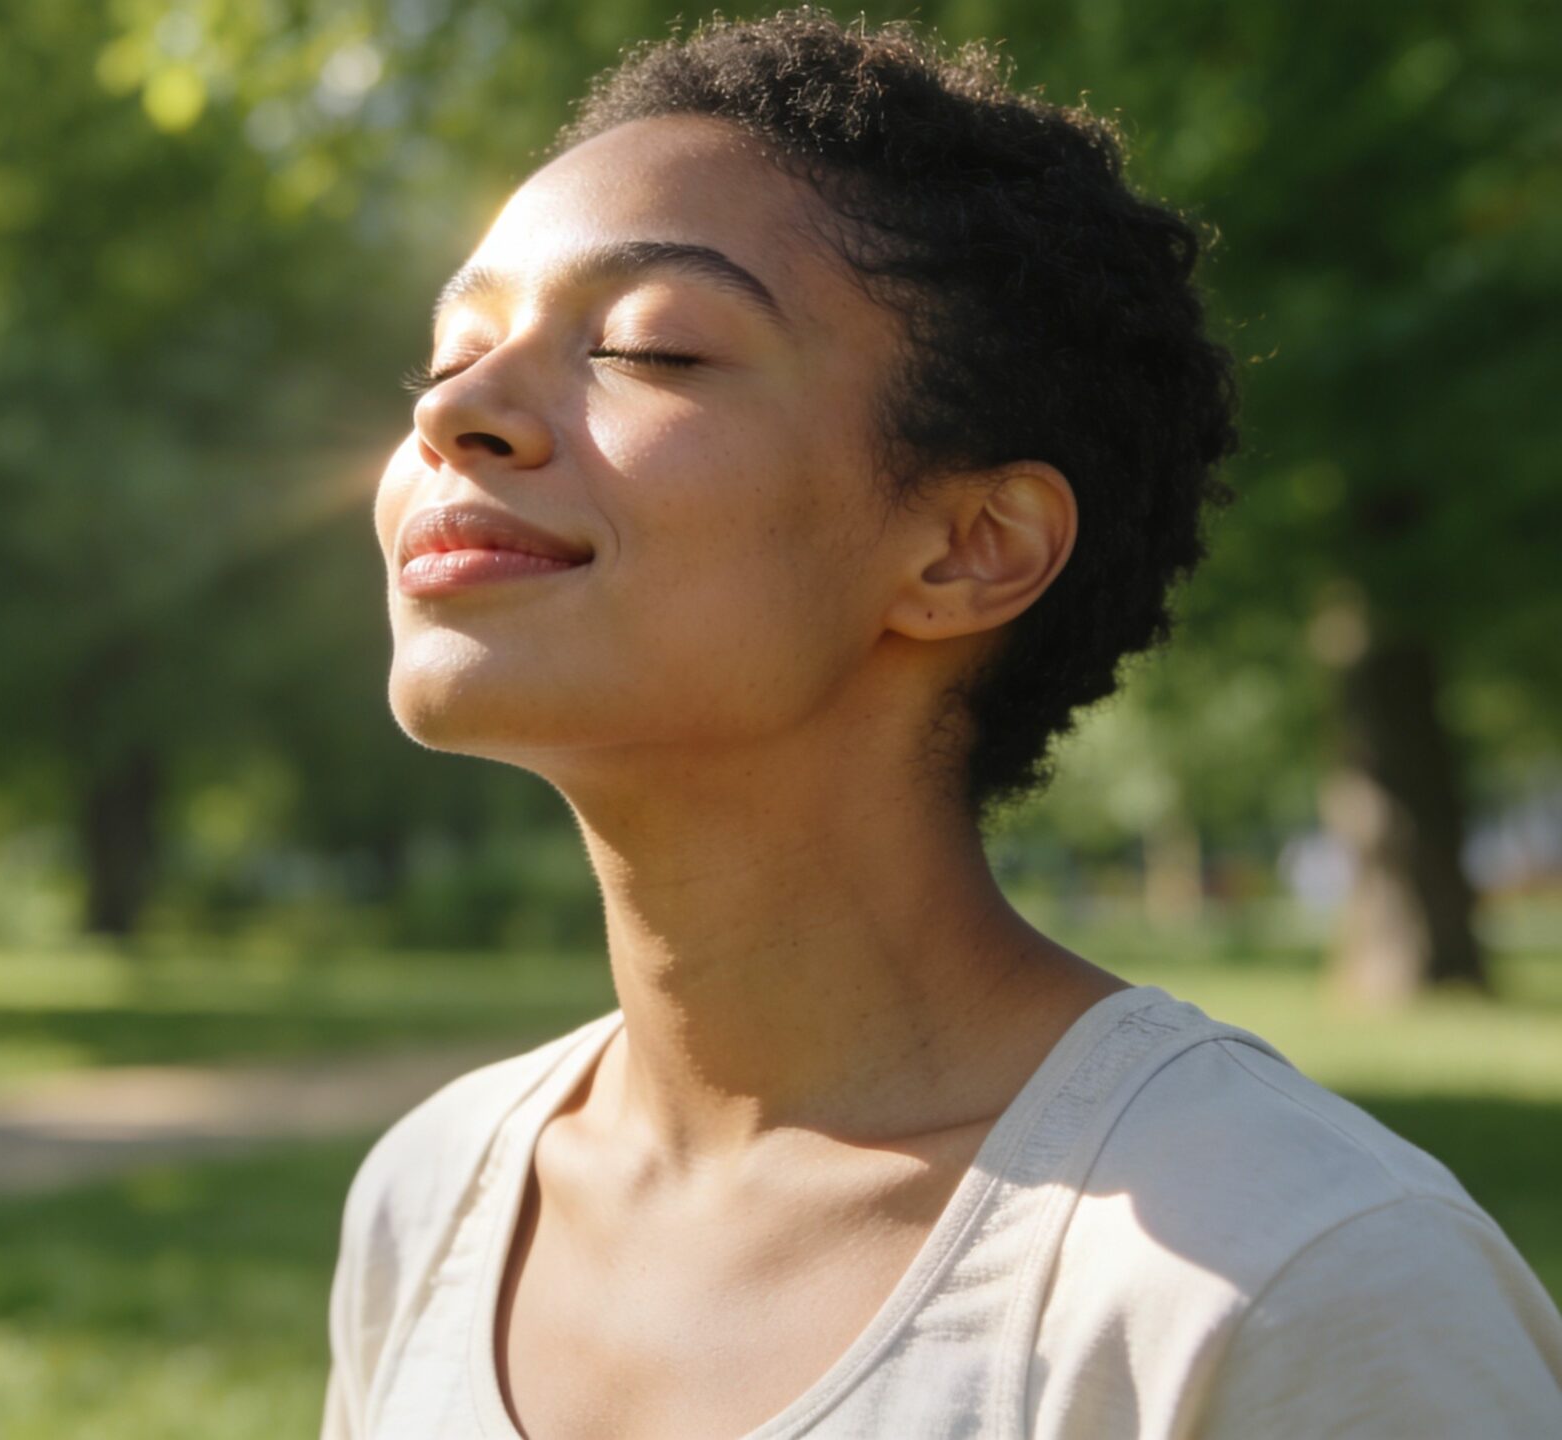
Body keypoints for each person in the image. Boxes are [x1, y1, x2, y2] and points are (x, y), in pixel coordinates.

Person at [321, 8, 1562, 1438]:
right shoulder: (436, 1198)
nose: (458, 411)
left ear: (971, 547)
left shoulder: (1290, 1280)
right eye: (448, 351)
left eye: (651, 347)